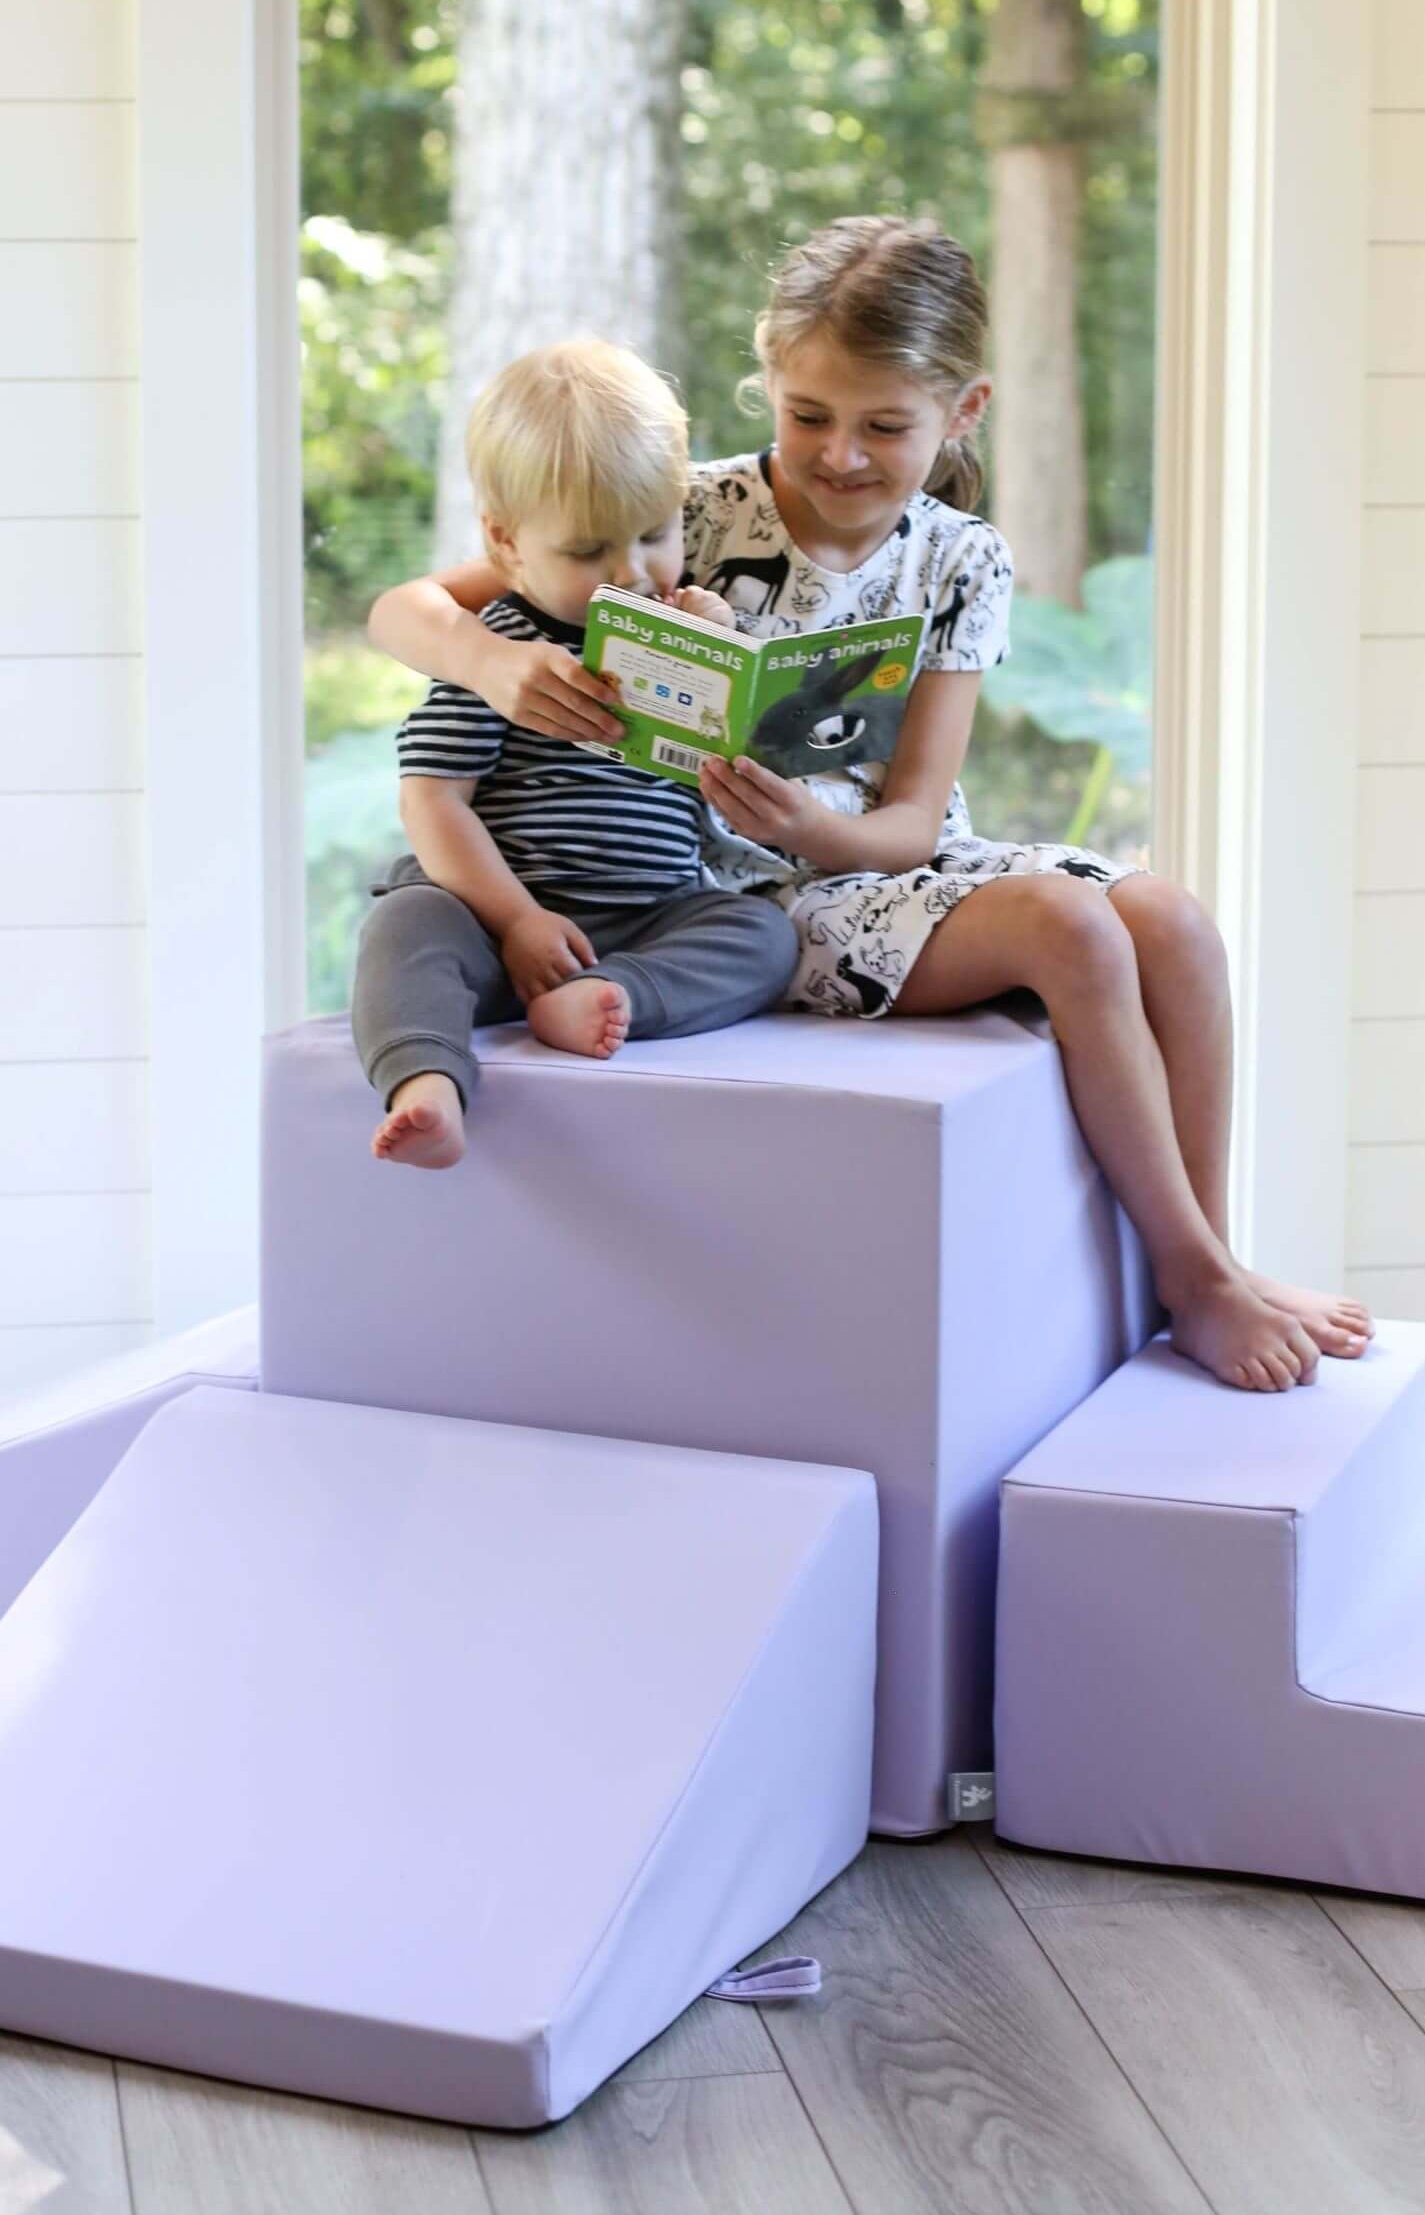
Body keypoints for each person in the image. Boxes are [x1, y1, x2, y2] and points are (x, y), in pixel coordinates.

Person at [370, 221, 1373, 1395]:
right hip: (742, 896)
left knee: (1177, 928)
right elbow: (403, 610)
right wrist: (493, 671)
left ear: (962, 411)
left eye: (884, 426)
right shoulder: (675, 511)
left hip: (871, 860)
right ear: (769, 386)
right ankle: (1192, 1280)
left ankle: (1215, 1260)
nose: (839, 455)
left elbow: (912, 822)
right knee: (1069, 929)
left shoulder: (962, 562)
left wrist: (810, 823)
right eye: (808, 416)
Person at [354, 337, 799, 1170]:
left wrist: (722, 658)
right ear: (506, 540)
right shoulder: (505, 647)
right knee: (406, 922)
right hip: (500, 920)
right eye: (589, 550)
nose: (631, 574)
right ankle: (427, 1085)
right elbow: (431, 799)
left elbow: (730, 779)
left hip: (647, 917)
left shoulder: (687, 628)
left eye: (655, 535)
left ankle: (608, 998)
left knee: (764, 934)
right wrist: (516, 920)